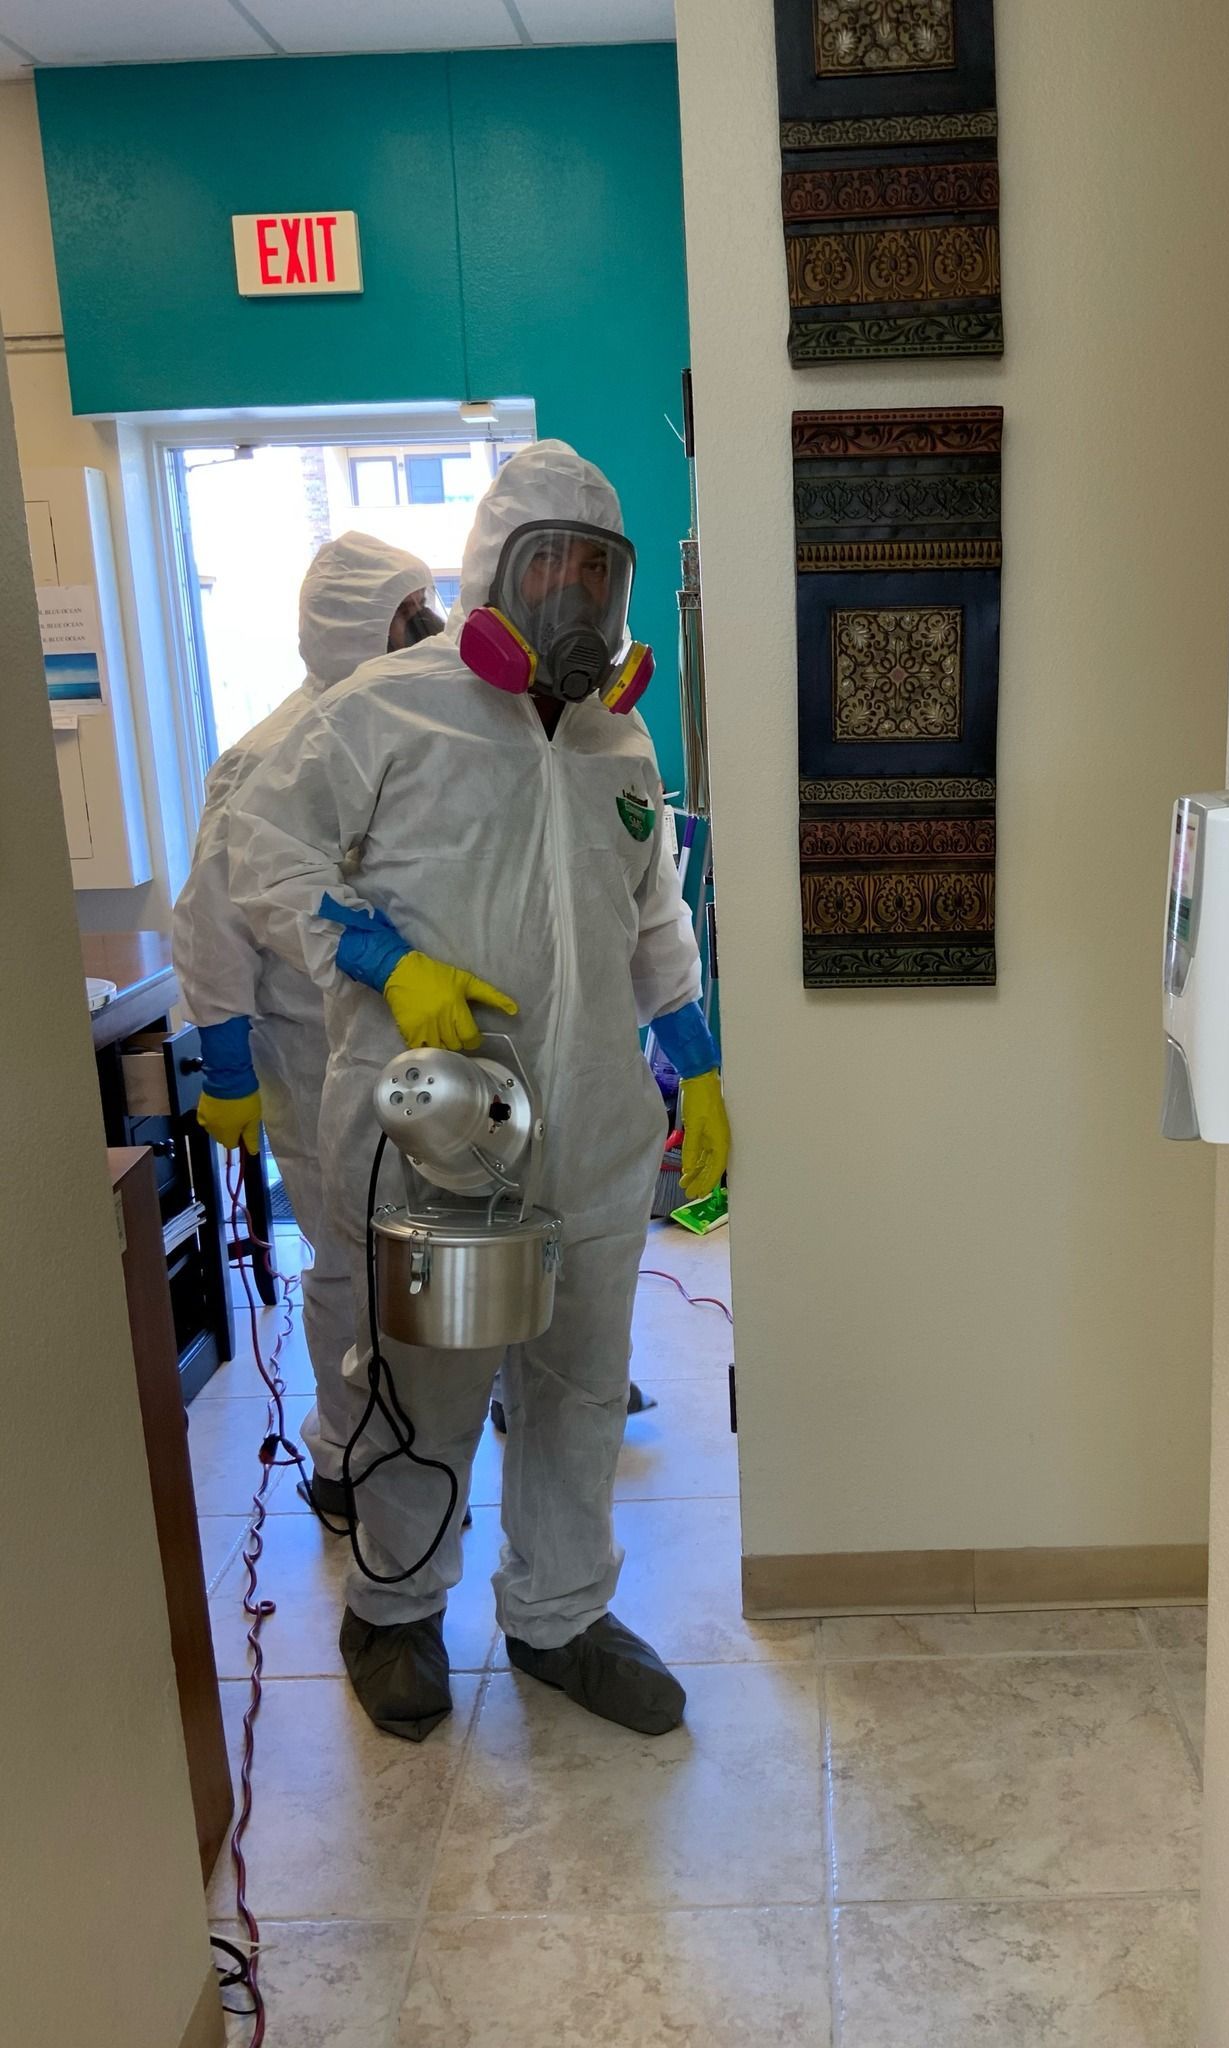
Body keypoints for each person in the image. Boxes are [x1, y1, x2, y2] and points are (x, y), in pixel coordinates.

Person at [227, 442, 730, 1743]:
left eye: (597, 572)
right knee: (428, 1381)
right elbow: (261, 856)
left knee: (578, 1383)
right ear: (492, 573)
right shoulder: (383, 711)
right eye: (548, 564)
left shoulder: (620, 736)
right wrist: (387, 963)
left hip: (596, 1133)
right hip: (432, 1124)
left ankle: (560, 1613)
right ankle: (392, 1609)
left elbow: (654, 911)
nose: (575, 597)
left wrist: (701, 1059)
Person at [172, 532, 445, 1515]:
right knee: (346, 1255)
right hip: (303, 1039)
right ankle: (343, 1455)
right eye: (409, 616)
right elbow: (212, 917)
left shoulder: (403, 730)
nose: (429, 632)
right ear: (355, 629)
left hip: (404, 1034)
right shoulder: (263, 757)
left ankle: (430, 1416)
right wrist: (228, 1061)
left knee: (422, 1240)